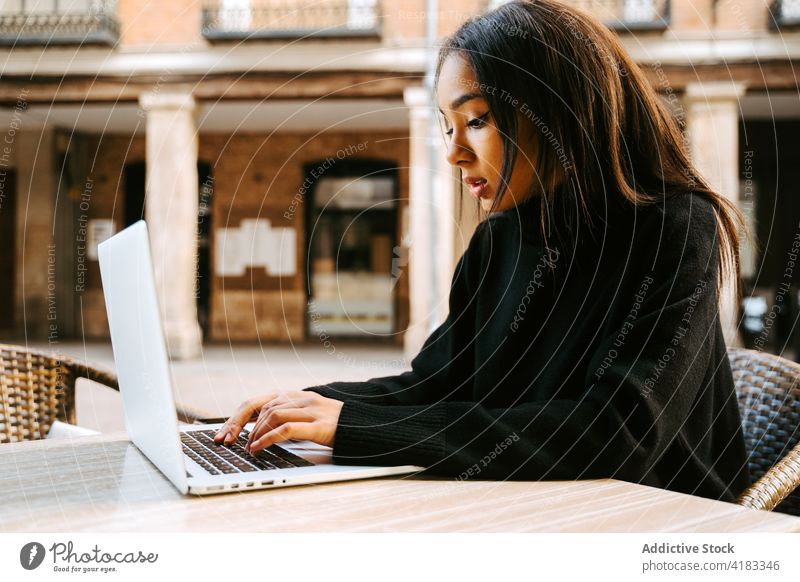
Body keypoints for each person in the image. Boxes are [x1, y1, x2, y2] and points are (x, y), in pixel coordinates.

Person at [214, 0, 750, 502]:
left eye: (475, 120)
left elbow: (617, 431)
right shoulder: (497, 241)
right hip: (532, 504)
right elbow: (437, 381)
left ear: (558, 110)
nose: (452, 152)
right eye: (446, 126)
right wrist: (309, 407)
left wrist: (357, 429)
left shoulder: (674, 229)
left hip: (661, 518)